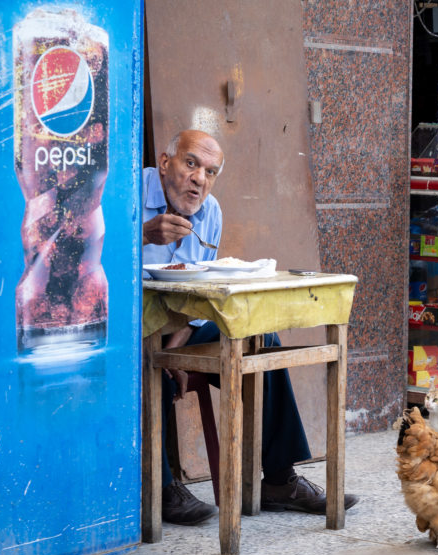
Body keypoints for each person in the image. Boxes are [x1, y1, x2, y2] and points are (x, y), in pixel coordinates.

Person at [143, 129, 358, 525]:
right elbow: (91, 261)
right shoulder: (128, 195)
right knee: (140, 360)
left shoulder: (210, 212)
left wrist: (180, 339)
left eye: (210, 172)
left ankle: (279, 479)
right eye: (191, 164)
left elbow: (202, 289)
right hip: (127, 327)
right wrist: (140, 235)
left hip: (179, 325)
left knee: (260, 341)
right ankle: (157, 488)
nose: (199, 179)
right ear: (164, 162)